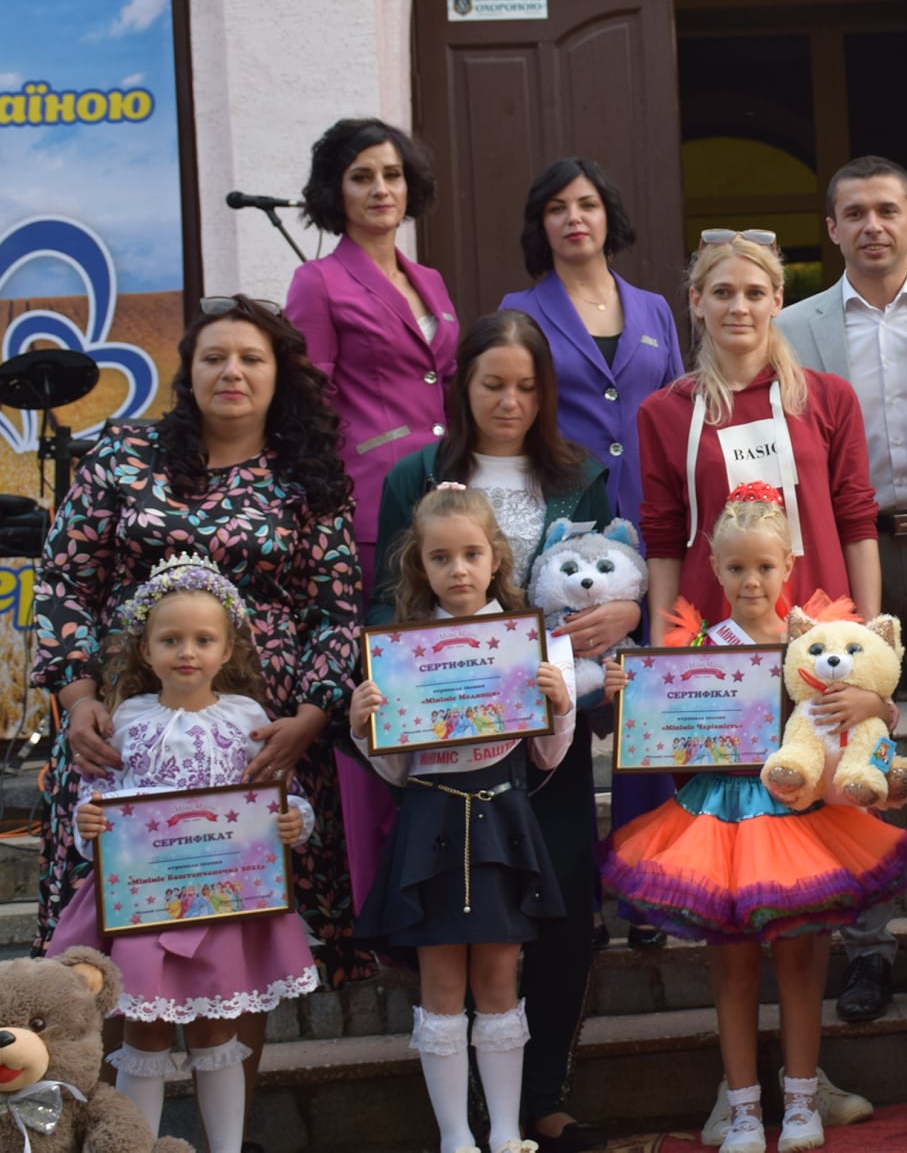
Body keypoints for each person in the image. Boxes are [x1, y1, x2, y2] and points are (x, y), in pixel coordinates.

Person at [34, 298, 371, 1067]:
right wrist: (79, 701)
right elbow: (63, 579)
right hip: (123, 739)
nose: (232, 372)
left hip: (259, 745)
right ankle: (108, 1115)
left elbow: (335, 609)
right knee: (110, 939)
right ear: (188, 373)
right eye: (215, 357)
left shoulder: (310, 479)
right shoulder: (125, 455)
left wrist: (311, 718)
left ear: (280, 374)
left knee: (237, 942)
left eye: (252, 358)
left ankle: (231, 1120)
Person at [368, 310, 620, 1153]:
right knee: (452, 928)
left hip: (546, 730)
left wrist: (623, 614)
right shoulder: (417, 477)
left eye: (526, 386)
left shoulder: (579, 476)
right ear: (462, 387)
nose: (509, 402)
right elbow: (387, 603)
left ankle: (537, 1101)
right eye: (492, 384)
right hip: (446, 750)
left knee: (559, 914)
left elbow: (611, 574)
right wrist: (397, 700)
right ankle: (462, 1119)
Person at [602, 489, 907, 1153]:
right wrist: (631, 696)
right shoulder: (698, 649)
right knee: (733, 966)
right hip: (721, 819)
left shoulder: (819, 645)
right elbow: (662, 728)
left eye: (765, 567)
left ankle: (802, 1099)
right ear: (715, 569)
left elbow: (871, 706)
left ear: (788, 566)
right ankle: (743, 1108)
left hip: (805, 817)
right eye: (737, 568)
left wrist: (878, 709)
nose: (751, 581)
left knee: (803, 962)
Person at [49, 556, 321, 1153]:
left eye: (203, 639)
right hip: (145, 906)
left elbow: (277, 792)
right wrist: (88, 822)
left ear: (228, 650)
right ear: (145, 650)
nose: (187, 652)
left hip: (222, 902)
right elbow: (101, 797)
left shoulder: (247, 718)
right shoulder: (128, 719)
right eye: (171, 640)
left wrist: (292, 820)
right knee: (143, 1030)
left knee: (216, 1027)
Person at [778, 155, 907, 1019]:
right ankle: (868, 948)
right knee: (856, 742)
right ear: (832, 229)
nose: (872, 226)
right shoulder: (792, 327)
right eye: (854, 213)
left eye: (888, 210)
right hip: (848, 555)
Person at [350, 487, 578, 1153]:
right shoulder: (400, 652)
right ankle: (456, 1137)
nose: (458, 570)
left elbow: (545, 757)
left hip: (503, 821)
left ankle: (506, 1134)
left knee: (500, 978)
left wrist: (559, 705)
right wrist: (366, 727)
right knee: (442, 984)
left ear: (495, 558)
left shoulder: (528, 641)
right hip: (431, 825)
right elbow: (398, 772)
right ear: (419, 565)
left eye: (472, 554)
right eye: (441, 557)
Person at [285, 116, 458, 927]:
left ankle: (450, 877)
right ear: (336, 191)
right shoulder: (318, 283)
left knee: (445, 689)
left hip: (442, 511)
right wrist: (322, 510)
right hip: (365, 514)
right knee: (379, 704)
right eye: (361, 177)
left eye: (391, 174)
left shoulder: (432, 279)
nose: (380, 189)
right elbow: (308, 405)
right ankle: (383, 903)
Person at [500, 156, 685, 528]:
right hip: (561, 513)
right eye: (557, 209)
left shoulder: (655, 309)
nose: (574, 218)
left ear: (608, 216)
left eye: (588, 205)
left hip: (654, 509)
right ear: (541, 224)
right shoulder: (519, 312)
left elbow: (678, 413)